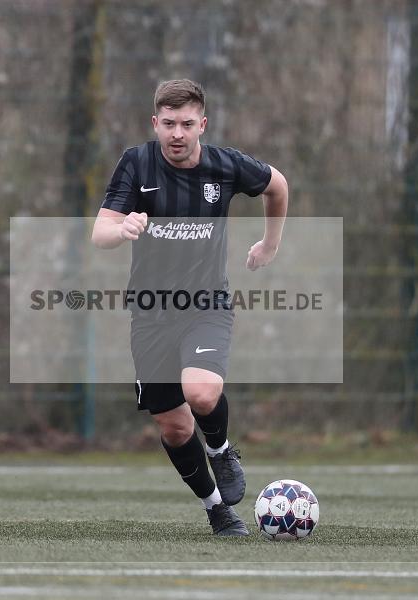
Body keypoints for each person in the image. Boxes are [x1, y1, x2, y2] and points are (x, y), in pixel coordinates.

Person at [91, 79, 289, 534]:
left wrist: (270, 244)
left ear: (202, 124)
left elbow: (277, 186)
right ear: (154, 123)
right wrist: (121, 231)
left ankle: (221, 451)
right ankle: (217, 510)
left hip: (206, 304)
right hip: (149, 313)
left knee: (201, 393)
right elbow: (99, 233)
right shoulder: (136, 164)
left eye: (185, 124)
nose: (176, 133)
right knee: (176, 428)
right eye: (168, 123)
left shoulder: (226, 166)